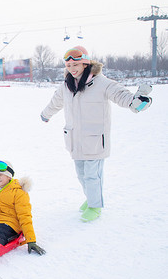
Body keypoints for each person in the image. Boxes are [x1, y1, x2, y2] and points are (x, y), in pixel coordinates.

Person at [40, 46, 153, 222]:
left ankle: (95, 206)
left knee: (93, 175)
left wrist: (136, 101)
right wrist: (46, 114)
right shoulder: (67, 85)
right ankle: (92, 198)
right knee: (81, 174)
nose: (72, 68)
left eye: (75, 64)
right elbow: (56, 102)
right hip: (75, 139)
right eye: (68, 65)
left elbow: (122, 96)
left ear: (85, 64)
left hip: (94, 139)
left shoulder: (101, 83)